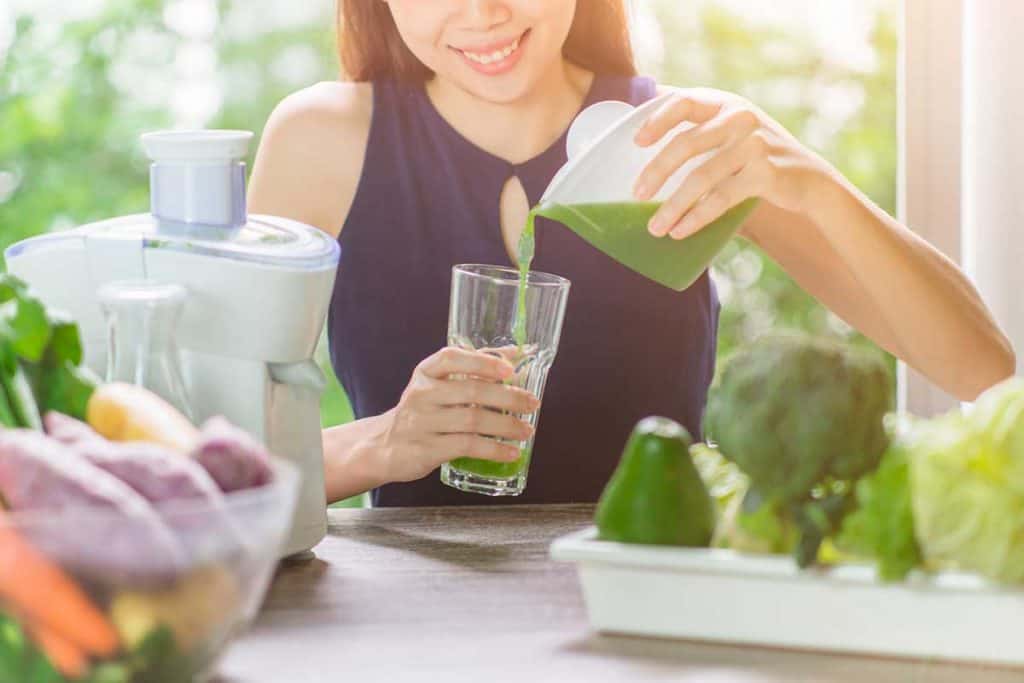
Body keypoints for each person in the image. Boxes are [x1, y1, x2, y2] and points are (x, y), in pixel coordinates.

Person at [248, 0, 1014, 507]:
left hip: (661, 600)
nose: (482, 13)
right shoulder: (323, 141)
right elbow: (223, 470)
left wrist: (808, 182)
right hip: (413, 629)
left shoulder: (678, 140)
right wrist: (383, 442)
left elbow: (981, 369)